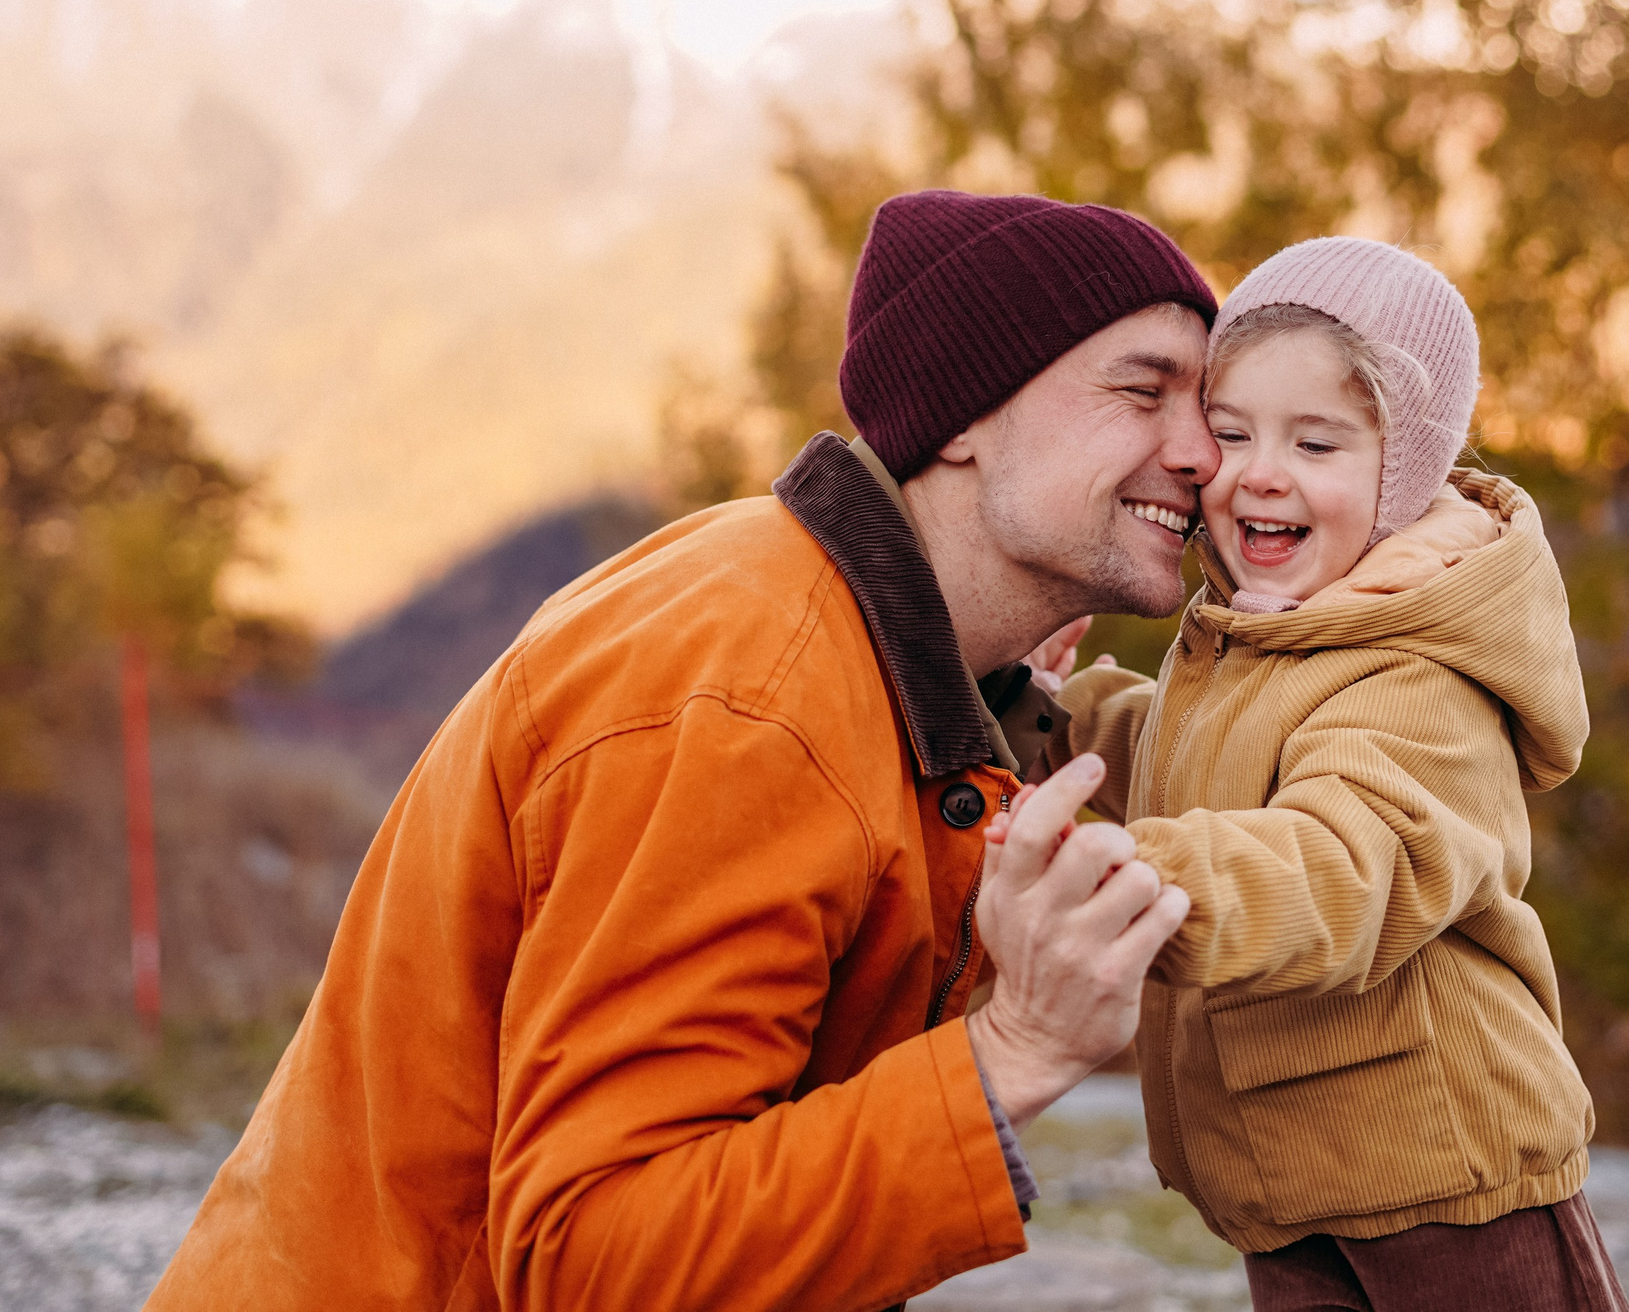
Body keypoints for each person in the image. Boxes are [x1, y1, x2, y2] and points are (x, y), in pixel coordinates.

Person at [146, 190, 1220, 1312]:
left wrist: (1002, 706)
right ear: (960, 417)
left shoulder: (857, 643)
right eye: (1142, 391)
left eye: (1203, 404)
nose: (1201, 452)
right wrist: (1016, 1051)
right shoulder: (750, 701)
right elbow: (598, 1260)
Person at [1010, 236, 1629, 1310]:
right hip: (1292, 1179)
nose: (1260, 471)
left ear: (1403, 474)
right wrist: (1044, 716)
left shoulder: (1413, 671)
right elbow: (1177, 759)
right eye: (1233, 431)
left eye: (1317, 442)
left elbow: (1338, 866)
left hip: (1452, 1183)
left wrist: (1119, 871)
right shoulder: (1271, 631)